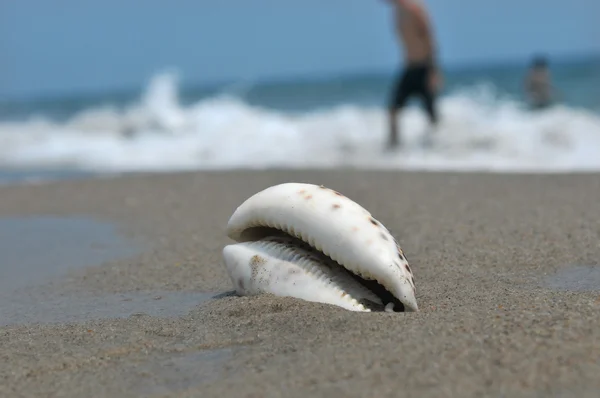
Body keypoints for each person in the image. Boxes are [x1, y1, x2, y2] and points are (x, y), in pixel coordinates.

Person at [385, 0, 442, 150]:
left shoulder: (414, 8)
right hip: (409, 68)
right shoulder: (396, 12)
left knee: (431, 112)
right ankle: (394, 147)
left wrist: (434, 69)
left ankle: (437, 147)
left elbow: (429, 38)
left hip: (424, 67)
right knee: (393, 109)